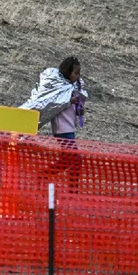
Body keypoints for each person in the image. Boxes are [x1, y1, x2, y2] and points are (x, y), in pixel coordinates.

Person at [20, 56, 87, 190]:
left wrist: (79, 109)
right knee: (75, 159)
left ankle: (44, 176)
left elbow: (73, 109)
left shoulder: (72, 87)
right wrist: (69, 101)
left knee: (68, 159)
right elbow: (54, 104)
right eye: (76, 73)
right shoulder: (59, 87)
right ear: (68, 71)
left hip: (70, 127)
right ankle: (72, 188)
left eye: (79, 73)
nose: (78, 76)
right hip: (62, 129)